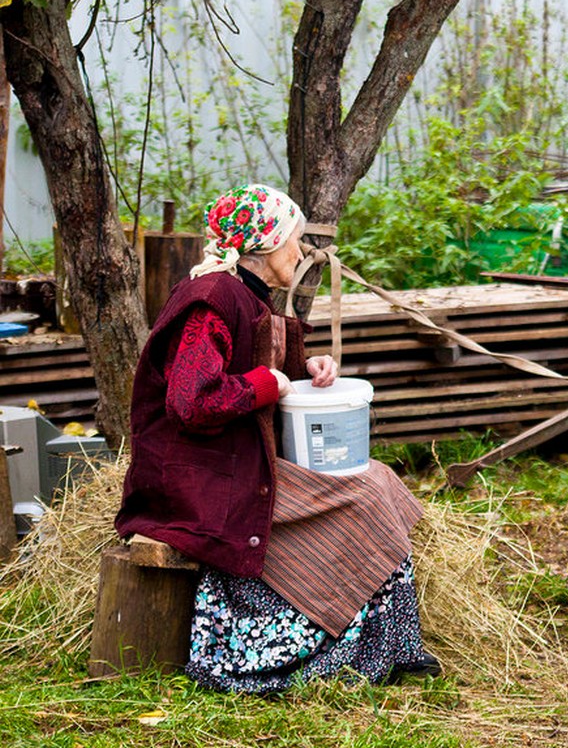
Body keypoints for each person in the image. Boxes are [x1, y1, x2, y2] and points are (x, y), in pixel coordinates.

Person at [115, 183, 439, 692]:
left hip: (237, 459)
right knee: (365, 495)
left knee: (375, 480)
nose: (301, 250)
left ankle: (393, 645)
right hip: (200, 477)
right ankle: (302, 650)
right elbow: (192, 400)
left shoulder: (245, 294)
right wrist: (266, 383)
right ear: (266, 244)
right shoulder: (211, 299)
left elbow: (258, 366)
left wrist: (308, 368)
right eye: (295, 238)